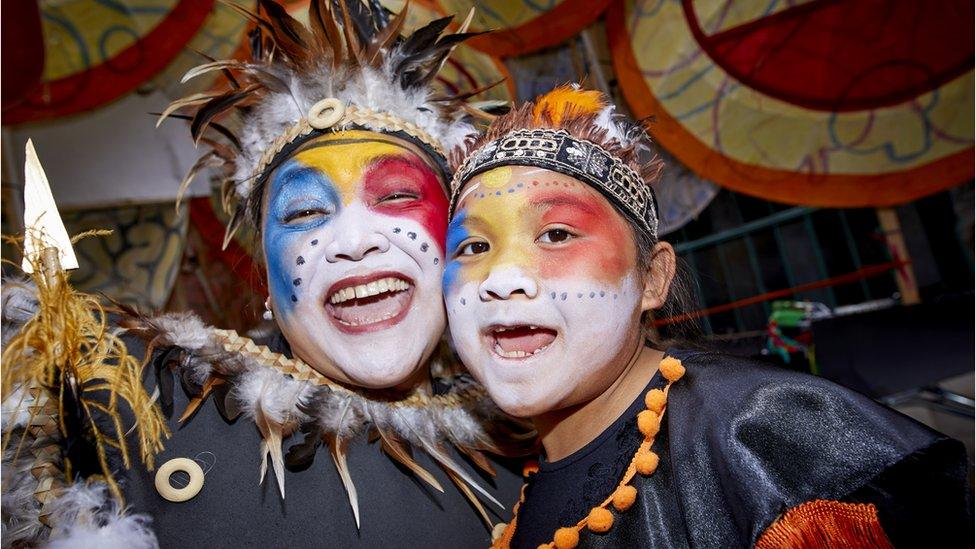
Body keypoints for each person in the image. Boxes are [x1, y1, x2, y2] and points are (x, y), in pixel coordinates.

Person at [1, 2, 531, 547]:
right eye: (303, 213)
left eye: (396, 196)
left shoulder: (533, 442)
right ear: (267, 283)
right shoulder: (132, 408)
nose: (355, 241)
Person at [443, 85, 971, 548]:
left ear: (652, 278)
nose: (500, 277)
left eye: (557, 234)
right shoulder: (510, 483)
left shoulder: (771, 445)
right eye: (472, 246)